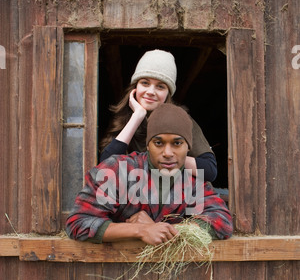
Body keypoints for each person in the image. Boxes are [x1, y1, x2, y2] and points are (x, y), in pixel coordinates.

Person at [66, 104, 232, 245]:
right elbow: (79, 223)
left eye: (177, 143)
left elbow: (221, 221)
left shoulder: (192, 181)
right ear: (147, 145)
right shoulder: (118, 170)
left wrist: (165, 230)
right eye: (158, 143)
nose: (168, 152)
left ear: (188, 148)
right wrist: (140, 230)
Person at [99, 49, 217, 181]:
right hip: (137, 196)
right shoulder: (123, 119)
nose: (150, 91)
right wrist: (137, 117)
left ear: (168, 93)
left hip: (175, 196)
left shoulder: (181, 120)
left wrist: (166, 157)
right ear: (135, 87)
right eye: (145, 83)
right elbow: (105, 168)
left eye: (160, 86)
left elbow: (210, 170)